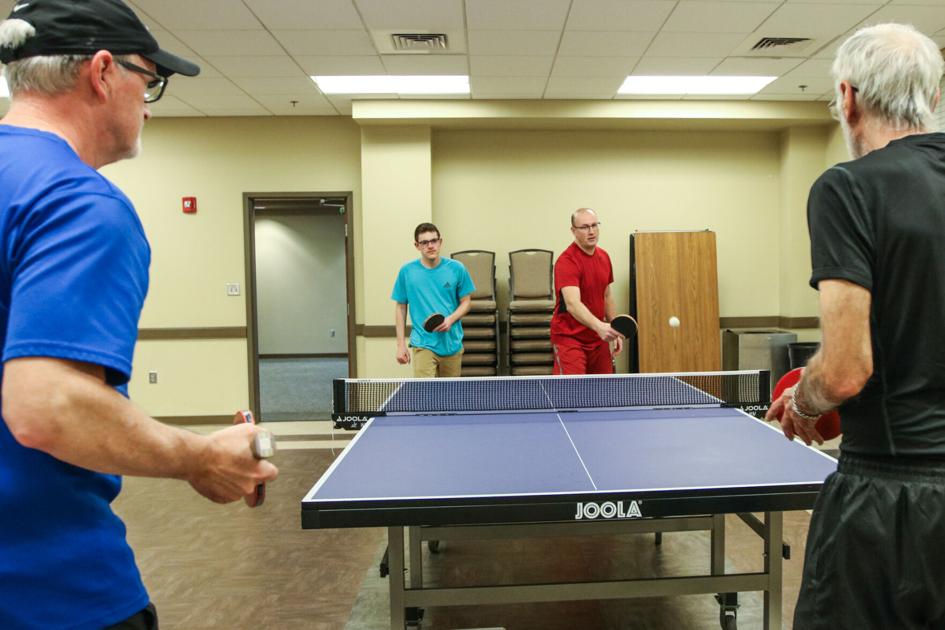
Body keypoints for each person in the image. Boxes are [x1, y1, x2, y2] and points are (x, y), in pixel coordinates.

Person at [0, 2, 279, 629]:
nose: (148, 106)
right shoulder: (75, 201)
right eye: (148, 80)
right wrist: (199, 457)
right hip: (46, 591)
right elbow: (48, 406)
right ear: (102, 72)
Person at [764, 23, 945, 630]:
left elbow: (844, 371)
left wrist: (803, 401)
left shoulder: (848, 188)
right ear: (934, 97)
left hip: (891, 500)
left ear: (847, 97)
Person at [393, 222, 474, 377]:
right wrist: (400, 345)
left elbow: (466, 302)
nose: (430, 246)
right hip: (423, 343)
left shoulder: (457, 268)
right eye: (424, 242)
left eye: (433, 241)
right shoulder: (407, 271)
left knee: (449, 392)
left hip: (452, 344)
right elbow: (400, 307)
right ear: (417, 246)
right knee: (426, 391)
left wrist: (450, 320)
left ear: (440, 242)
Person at [550, 208, 622, 374]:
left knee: (604, 388)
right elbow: (572, 304)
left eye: (594, 225)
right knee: (572, 389)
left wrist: (614, 328)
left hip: (597, 338)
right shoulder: (567, 262)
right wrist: (600, 327)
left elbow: (606, 295)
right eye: (584, 227)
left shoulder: (604, 257)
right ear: (573, 231)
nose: (591, 231)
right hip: (570, 339)